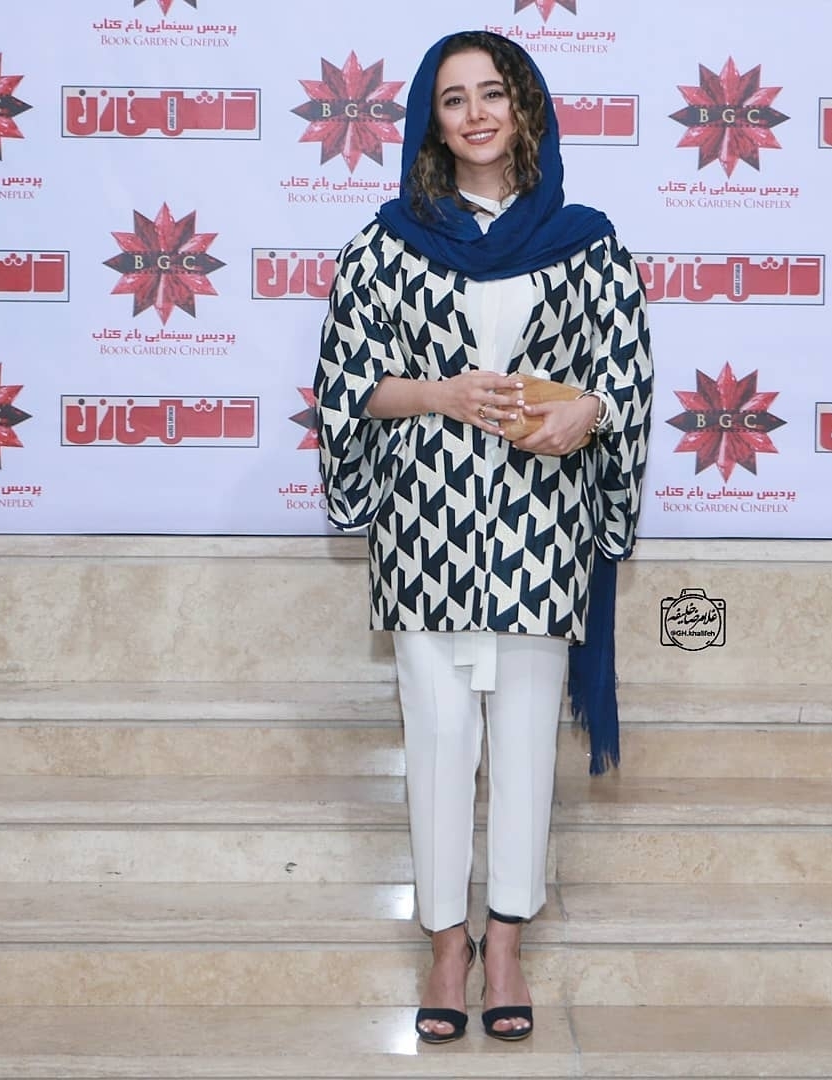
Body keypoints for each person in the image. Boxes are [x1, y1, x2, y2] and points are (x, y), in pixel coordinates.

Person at [314, 29, 652, 1044]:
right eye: (453, 98)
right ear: (432, 119)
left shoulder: (586, 240)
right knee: (437, 737)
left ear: (524, 107)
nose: (475, 114)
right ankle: (444, 941)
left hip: (543, 520)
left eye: (492, 93)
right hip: (428, 521)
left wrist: (586, 413)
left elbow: (623, 374)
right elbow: (347, 386)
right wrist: (443, 394)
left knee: (526, 739)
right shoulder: (386, 243)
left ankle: (505, 940)